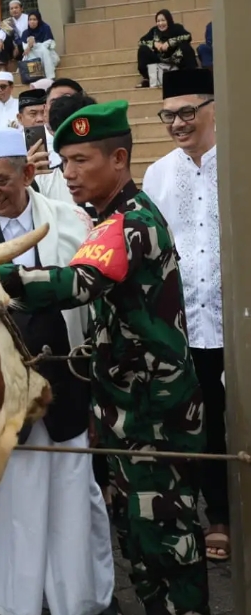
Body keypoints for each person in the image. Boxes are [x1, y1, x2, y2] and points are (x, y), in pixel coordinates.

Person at [0, 100, 209, 615]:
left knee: (166, 542)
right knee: (137, 541)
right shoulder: (106, 217)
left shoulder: (129, 222)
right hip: (125, 407)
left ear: (119, 159)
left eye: (82, 160)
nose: (68, 173)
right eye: (63, 160)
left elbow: (74, 284)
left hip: (152, 414)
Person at [0, 127, 112, 615]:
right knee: (4, 502)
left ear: (29, 172)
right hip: (0, 399)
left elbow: (95, 312)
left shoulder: (73, 223)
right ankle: (4, 600)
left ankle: (78, 598)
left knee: (72, 496)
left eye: (2, 180)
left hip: (69, 386)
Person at [142, 69, 226, 562]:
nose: (177, 123)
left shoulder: (239, 158)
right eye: (169, 115)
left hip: (235, 319)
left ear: (214, 109)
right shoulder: (158, 172)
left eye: (187, 112)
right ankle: (217, 515)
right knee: (201, 420)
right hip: (186, 323)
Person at [136, 10, 196, 88]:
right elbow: (141, 42)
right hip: (160, 59)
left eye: (163, 20)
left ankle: (191, 76)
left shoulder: (177, 28)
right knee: (143, 50)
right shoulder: (154, 31)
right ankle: (148, 78)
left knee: (185, 46)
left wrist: (170, 42)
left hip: (176, 59)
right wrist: (154, 44)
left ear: (168, 20)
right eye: (158, 21)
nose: (160, 23)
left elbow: (188, 36)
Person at [20, 11, 60, 80]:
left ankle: (50, 77)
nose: (32, 22)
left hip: (45, 54)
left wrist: (33, 43)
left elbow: (50, 44)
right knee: (33, 52)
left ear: (39, 20)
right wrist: (30, 44)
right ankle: (48, 76)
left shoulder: (45, 28)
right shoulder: (25, 33)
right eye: (30, 19)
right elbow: (25, 49)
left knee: (44, 50)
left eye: (34, 19)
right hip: (32, 56)